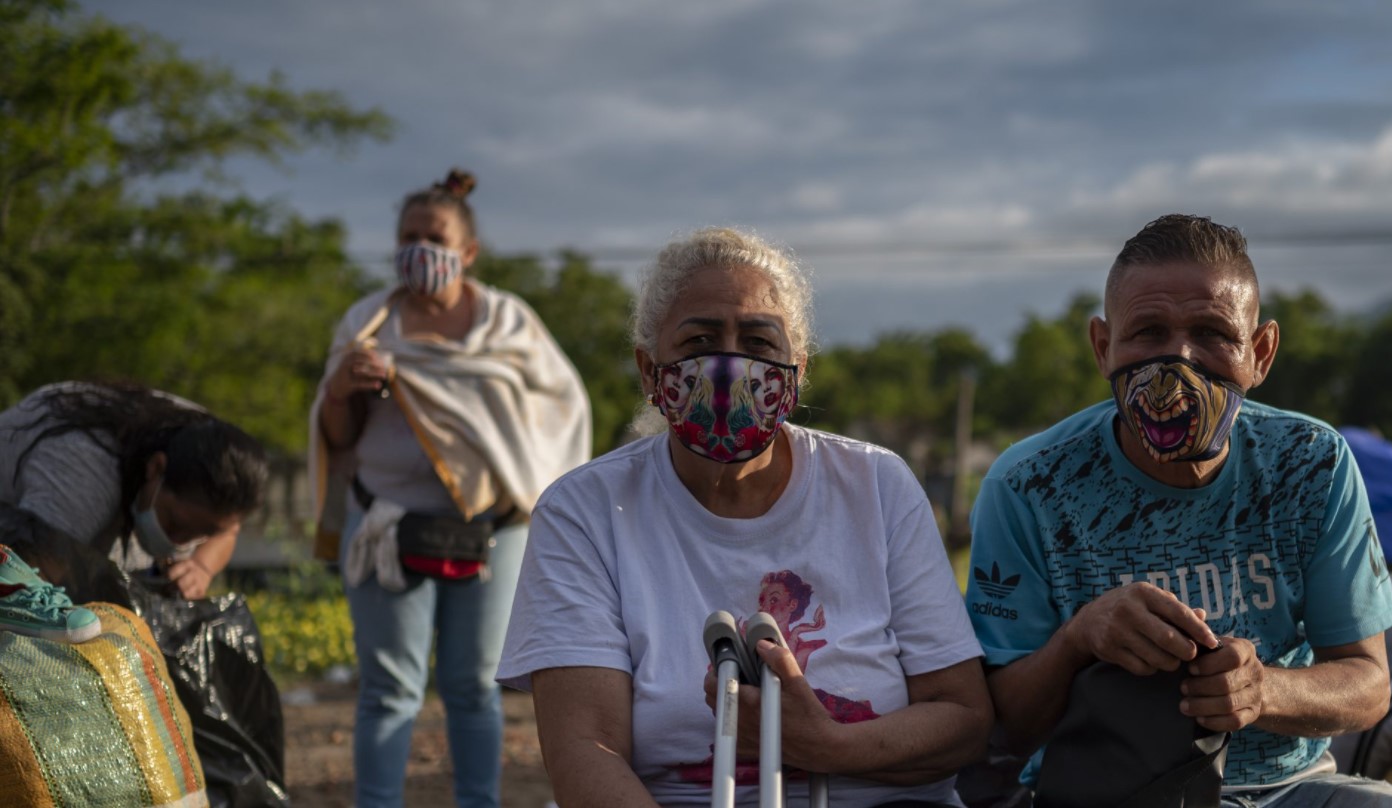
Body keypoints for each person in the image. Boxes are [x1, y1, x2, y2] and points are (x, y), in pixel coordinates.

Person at [497, 227, 992, 808]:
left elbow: (962, 717)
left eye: (758, 343)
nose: (729, 365)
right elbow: (586, 750)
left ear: (797, 372)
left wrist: (825, 745)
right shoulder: (584, 510)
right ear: (648, 369)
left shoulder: (876, 485)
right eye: (701, 339)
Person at [966, 214, 1392, 807]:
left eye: (1212, 333)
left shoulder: (1312, 463)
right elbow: (1003, 726)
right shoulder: (1029, 483)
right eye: (1148, 331)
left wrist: (1263, 691)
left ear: (1259, 353)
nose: (1176, 361)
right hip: (1104, 795)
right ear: (1103, 347)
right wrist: (1080, 639)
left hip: (1288, 788)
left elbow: (1368, 685)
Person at [309, 168, 591, 808]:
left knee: (473, 685)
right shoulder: (367, 320)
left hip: (493, 531)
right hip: (383, 524)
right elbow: (337, 432)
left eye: (433, 236)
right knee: (387, 689)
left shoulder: (510, 324)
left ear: (468, 252)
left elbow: (558, 410)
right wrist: (341, 388)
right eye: (407, 236)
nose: (418, 248)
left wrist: (534, 483)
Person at [0, 381, 268, 599]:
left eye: (203, 533)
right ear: (155, 469)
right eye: (175, 523)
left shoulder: (213, 451)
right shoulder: (84, 475)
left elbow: (228, 528)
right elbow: (25, 586)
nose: (179, 544)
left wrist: (201, 567)